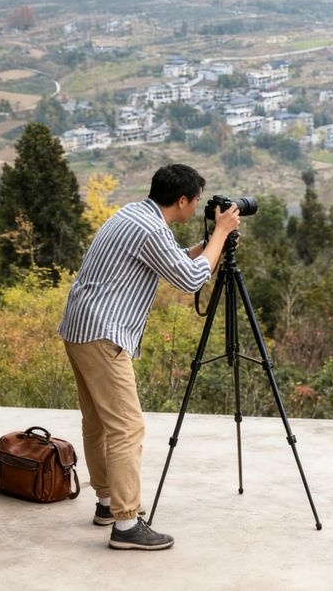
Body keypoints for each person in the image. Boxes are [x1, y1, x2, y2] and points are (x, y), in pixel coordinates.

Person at [58, 163, 241, 550]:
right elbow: (190, 279)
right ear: (182, 200)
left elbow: (174, 259)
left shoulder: (132, 214)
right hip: (104, 334)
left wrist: (210, 243)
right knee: (128, 427)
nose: (197, 210)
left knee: (97, 422)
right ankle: (126, 526)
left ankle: (107, 504)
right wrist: (221, 233)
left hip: (78, 328)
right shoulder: (152, 228)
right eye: (195, 203)